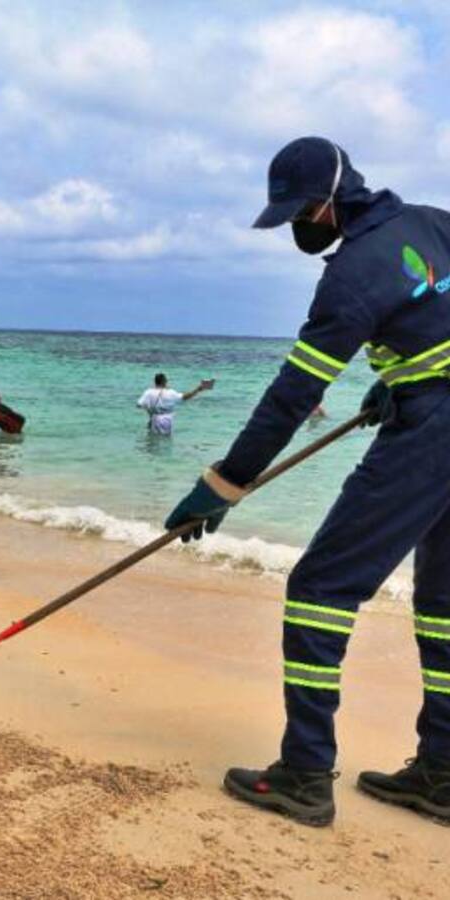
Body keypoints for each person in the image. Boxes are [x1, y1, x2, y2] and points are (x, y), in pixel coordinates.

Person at [164, 137, 450, 827]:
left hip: (436, 432)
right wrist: (406, 375)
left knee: (321, 591)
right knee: (444, 603)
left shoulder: (350, 276)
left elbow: (293, 395)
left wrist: (225, 482)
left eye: (300, 211)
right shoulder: (433, 221)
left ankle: (304, 772)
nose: (297, 224)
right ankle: (443, 774)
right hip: (434, 407)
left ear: (329, 201)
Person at [136, 373, 214, 435]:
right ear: (164, 382)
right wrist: (198, 389)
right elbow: (185, 397)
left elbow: (139, 405)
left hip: (154, 418)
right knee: (165, 442)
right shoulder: (170, 392)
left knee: (153, 440)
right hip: (166, 419)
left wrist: (150, 410)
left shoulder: (148, 392)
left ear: (155, 382)